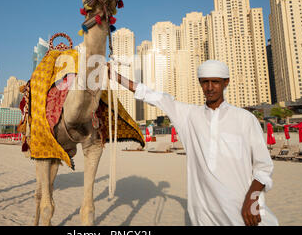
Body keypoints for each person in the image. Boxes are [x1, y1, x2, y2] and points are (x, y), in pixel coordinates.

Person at [109, 59, 278, 226]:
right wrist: (115, 76)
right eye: (205, 82)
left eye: (215, 82)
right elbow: (151, 95)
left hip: (243, 210)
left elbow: (263, 167)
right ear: (200, 83)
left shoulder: (245, 119)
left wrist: (252, 200)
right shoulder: (189, 116)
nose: (210, 87)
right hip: (204, 213)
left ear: (226, 83)